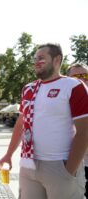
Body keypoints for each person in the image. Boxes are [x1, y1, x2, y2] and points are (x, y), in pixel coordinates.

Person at [0, 43, 88, 199]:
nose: (36, 62)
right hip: (28, 164)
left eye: (41, 58)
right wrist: (8, 154)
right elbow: (20, 124)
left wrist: (69, 169)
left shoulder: (74, 86)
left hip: (60, 164)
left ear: (57, 60)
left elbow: (84, 131)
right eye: (35, 59)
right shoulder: (28, 89)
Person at [67, 63, 88, 198]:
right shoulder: (61, 101)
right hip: (72, 164)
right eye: (76, 76)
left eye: (85, 75)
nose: (82, 79)